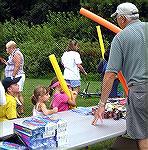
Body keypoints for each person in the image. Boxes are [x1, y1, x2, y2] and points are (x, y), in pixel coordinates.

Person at [92, 2, 148, 150]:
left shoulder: (121, 38)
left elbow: (110, 74)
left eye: (117, 18)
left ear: (123, 19)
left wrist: (102, 104)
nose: (116, 21)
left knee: (143, 134)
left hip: (141, 91)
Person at [2, 41, 25, 115]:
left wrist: (13, 76)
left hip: (17, 76)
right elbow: (11, 64)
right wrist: (5, 62)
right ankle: (16, 109)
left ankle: (20, 110)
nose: (6, 50)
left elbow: (17, 65)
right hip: (15, 76)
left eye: (7, 48)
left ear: (12, 48)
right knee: (15, 93)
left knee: (17, 93)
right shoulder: (13, 54)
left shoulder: (16, 54)